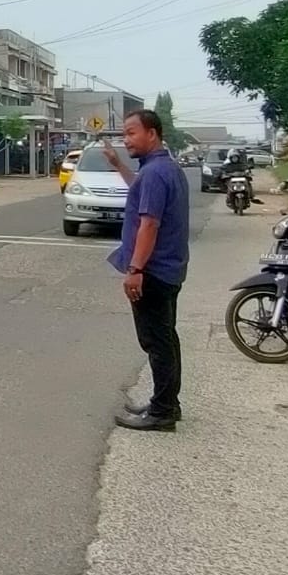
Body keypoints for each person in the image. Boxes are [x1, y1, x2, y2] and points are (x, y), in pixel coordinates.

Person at [103, 109, 190, 431]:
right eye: (124, 134)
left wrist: (135, 269)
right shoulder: (164, 169)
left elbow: (149, 223)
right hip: (170, 269)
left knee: (157, 342)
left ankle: (163, 412)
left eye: (131, 133)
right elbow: (140, 190)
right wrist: (117, 165)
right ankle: (167, 404)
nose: (126, 140)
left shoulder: (155, 173)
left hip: (153, 271)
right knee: (166, 338)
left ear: (152, 133)